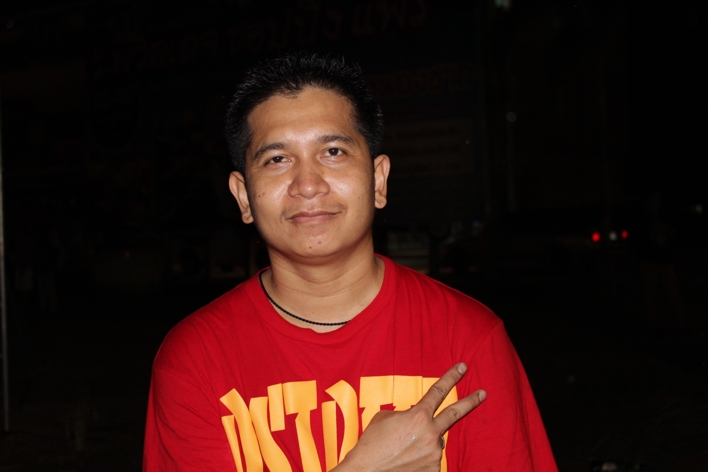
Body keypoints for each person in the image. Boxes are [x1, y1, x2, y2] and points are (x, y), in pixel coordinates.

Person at [143, 53, 557, 471]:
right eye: (277, 159)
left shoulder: (468, 338)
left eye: (333, 151)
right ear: (243, 196)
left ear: (378, 181)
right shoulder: (194, 360)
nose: (307, 185)